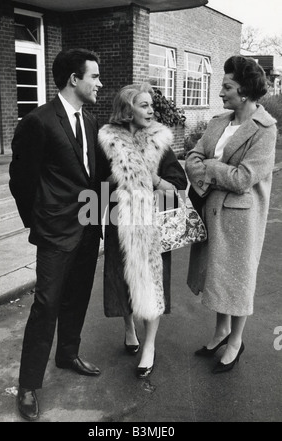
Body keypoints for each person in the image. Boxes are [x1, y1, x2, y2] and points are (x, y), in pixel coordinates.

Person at [9, 48, 108, 421]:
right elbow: (21, 180)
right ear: (74, 79)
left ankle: (67, 354)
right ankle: (29, 385)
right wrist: (38, 222)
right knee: (46, 304)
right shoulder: (38, 122)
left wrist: (100, 220)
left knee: (77, 296)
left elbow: (95, 177)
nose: (99, 83)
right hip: (54, 231)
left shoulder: (92, 121)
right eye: (94, 76)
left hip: (87, 228)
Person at [185, 56, 277, 374]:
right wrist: (205, 167)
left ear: (246, 90)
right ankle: (221, 332)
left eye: (227, 86)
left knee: (237, 279)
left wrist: (209, 168)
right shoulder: (217, 122)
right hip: (211, 209)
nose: (221, 92)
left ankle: (235, 341)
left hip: (241, 218)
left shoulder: (264, 129)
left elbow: (243, 179)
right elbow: (193, 155)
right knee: (217, 275)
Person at [98, 83, 187, 378]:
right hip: (119, 222)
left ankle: (149, 346)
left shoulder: (160, 142)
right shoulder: (108, 140)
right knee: (122, 281)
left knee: (153, 286)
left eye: (151, 105)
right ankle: (128, 326)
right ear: (127, 109)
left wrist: (155, 179)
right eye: (144, 105)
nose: (152, 110)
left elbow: (179, 185)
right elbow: (95, 183)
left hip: (151, 229)